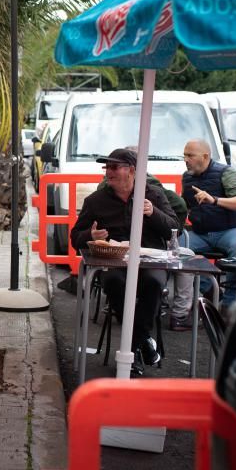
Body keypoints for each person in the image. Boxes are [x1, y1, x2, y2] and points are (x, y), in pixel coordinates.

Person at [71, 149, 179, 371]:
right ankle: (143, 342)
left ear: (132, 170)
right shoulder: (96, 200)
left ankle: (134, 345)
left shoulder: (154, 194)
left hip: (150, 259)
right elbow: (74, 239)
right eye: (106, 167)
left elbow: (173, 231)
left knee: (154, 283)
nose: (108, 172)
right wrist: (90, 236)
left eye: (114, 167)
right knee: (114, 283)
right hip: (114, 261)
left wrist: (153, 213)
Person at [181, 139, 236, 309]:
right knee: (175, 251)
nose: (186, 159)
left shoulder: (226, 173)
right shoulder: (187, 178)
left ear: (205, 156)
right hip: (200, 233)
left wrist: (215, 200)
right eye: (184, 155)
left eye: (190, 155)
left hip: (229, 230)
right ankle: (211, 290)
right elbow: (185, 204)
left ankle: (230, 302)